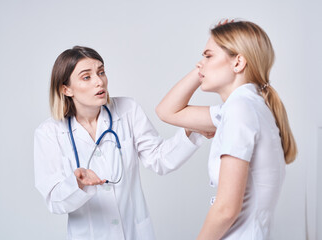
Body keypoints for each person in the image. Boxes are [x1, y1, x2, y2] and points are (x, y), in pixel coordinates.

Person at [34, 46, 204, 240]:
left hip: (135, 233)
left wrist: (191, 129)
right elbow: (55, 202)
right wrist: (77, 184)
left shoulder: (127, 110)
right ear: (66, 89)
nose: (99, 81)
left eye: (101, 72)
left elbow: (159, 159)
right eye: (86, 77)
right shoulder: (49, 133)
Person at [156, 20, 297, 240]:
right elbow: (167, 112)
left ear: (238, 62)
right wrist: (206, 65)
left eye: (208, 55)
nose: (200, 63)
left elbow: (226, 209)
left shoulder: (241, 110)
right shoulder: (242, 108)